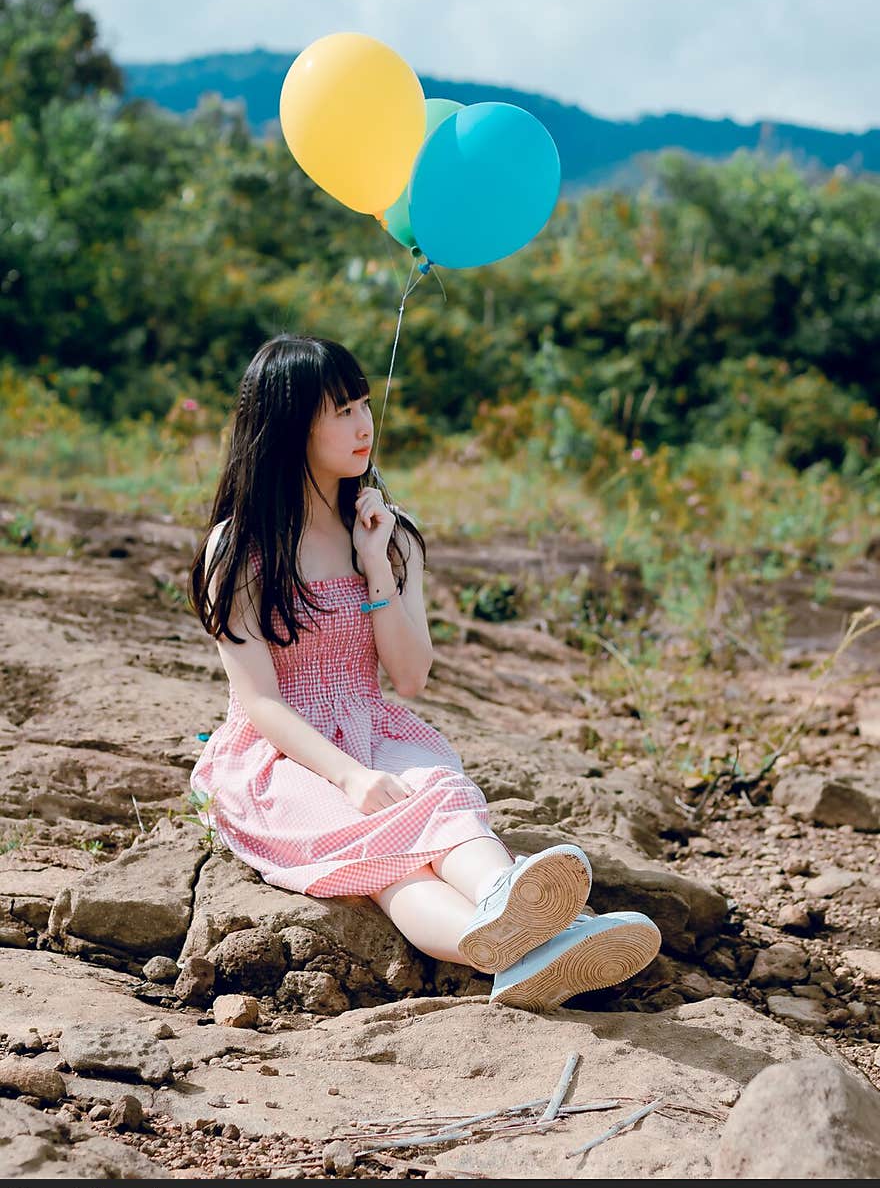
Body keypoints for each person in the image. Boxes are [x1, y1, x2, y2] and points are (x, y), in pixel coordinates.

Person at [188, 334, 661, 1011]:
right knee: (386, 858)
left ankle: (512, 913)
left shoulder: (391, 530)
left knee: (440, 796)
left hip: (373, 726)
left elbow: (409, 677)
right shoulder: (238, 548)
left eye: (362, 404)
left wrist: (375, 560)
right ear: (290, 428)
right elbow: (260, 701)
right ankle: (524, 940)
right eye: (339, 411)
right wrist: (349, 776)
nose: (362, 425)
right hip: (280, 754)